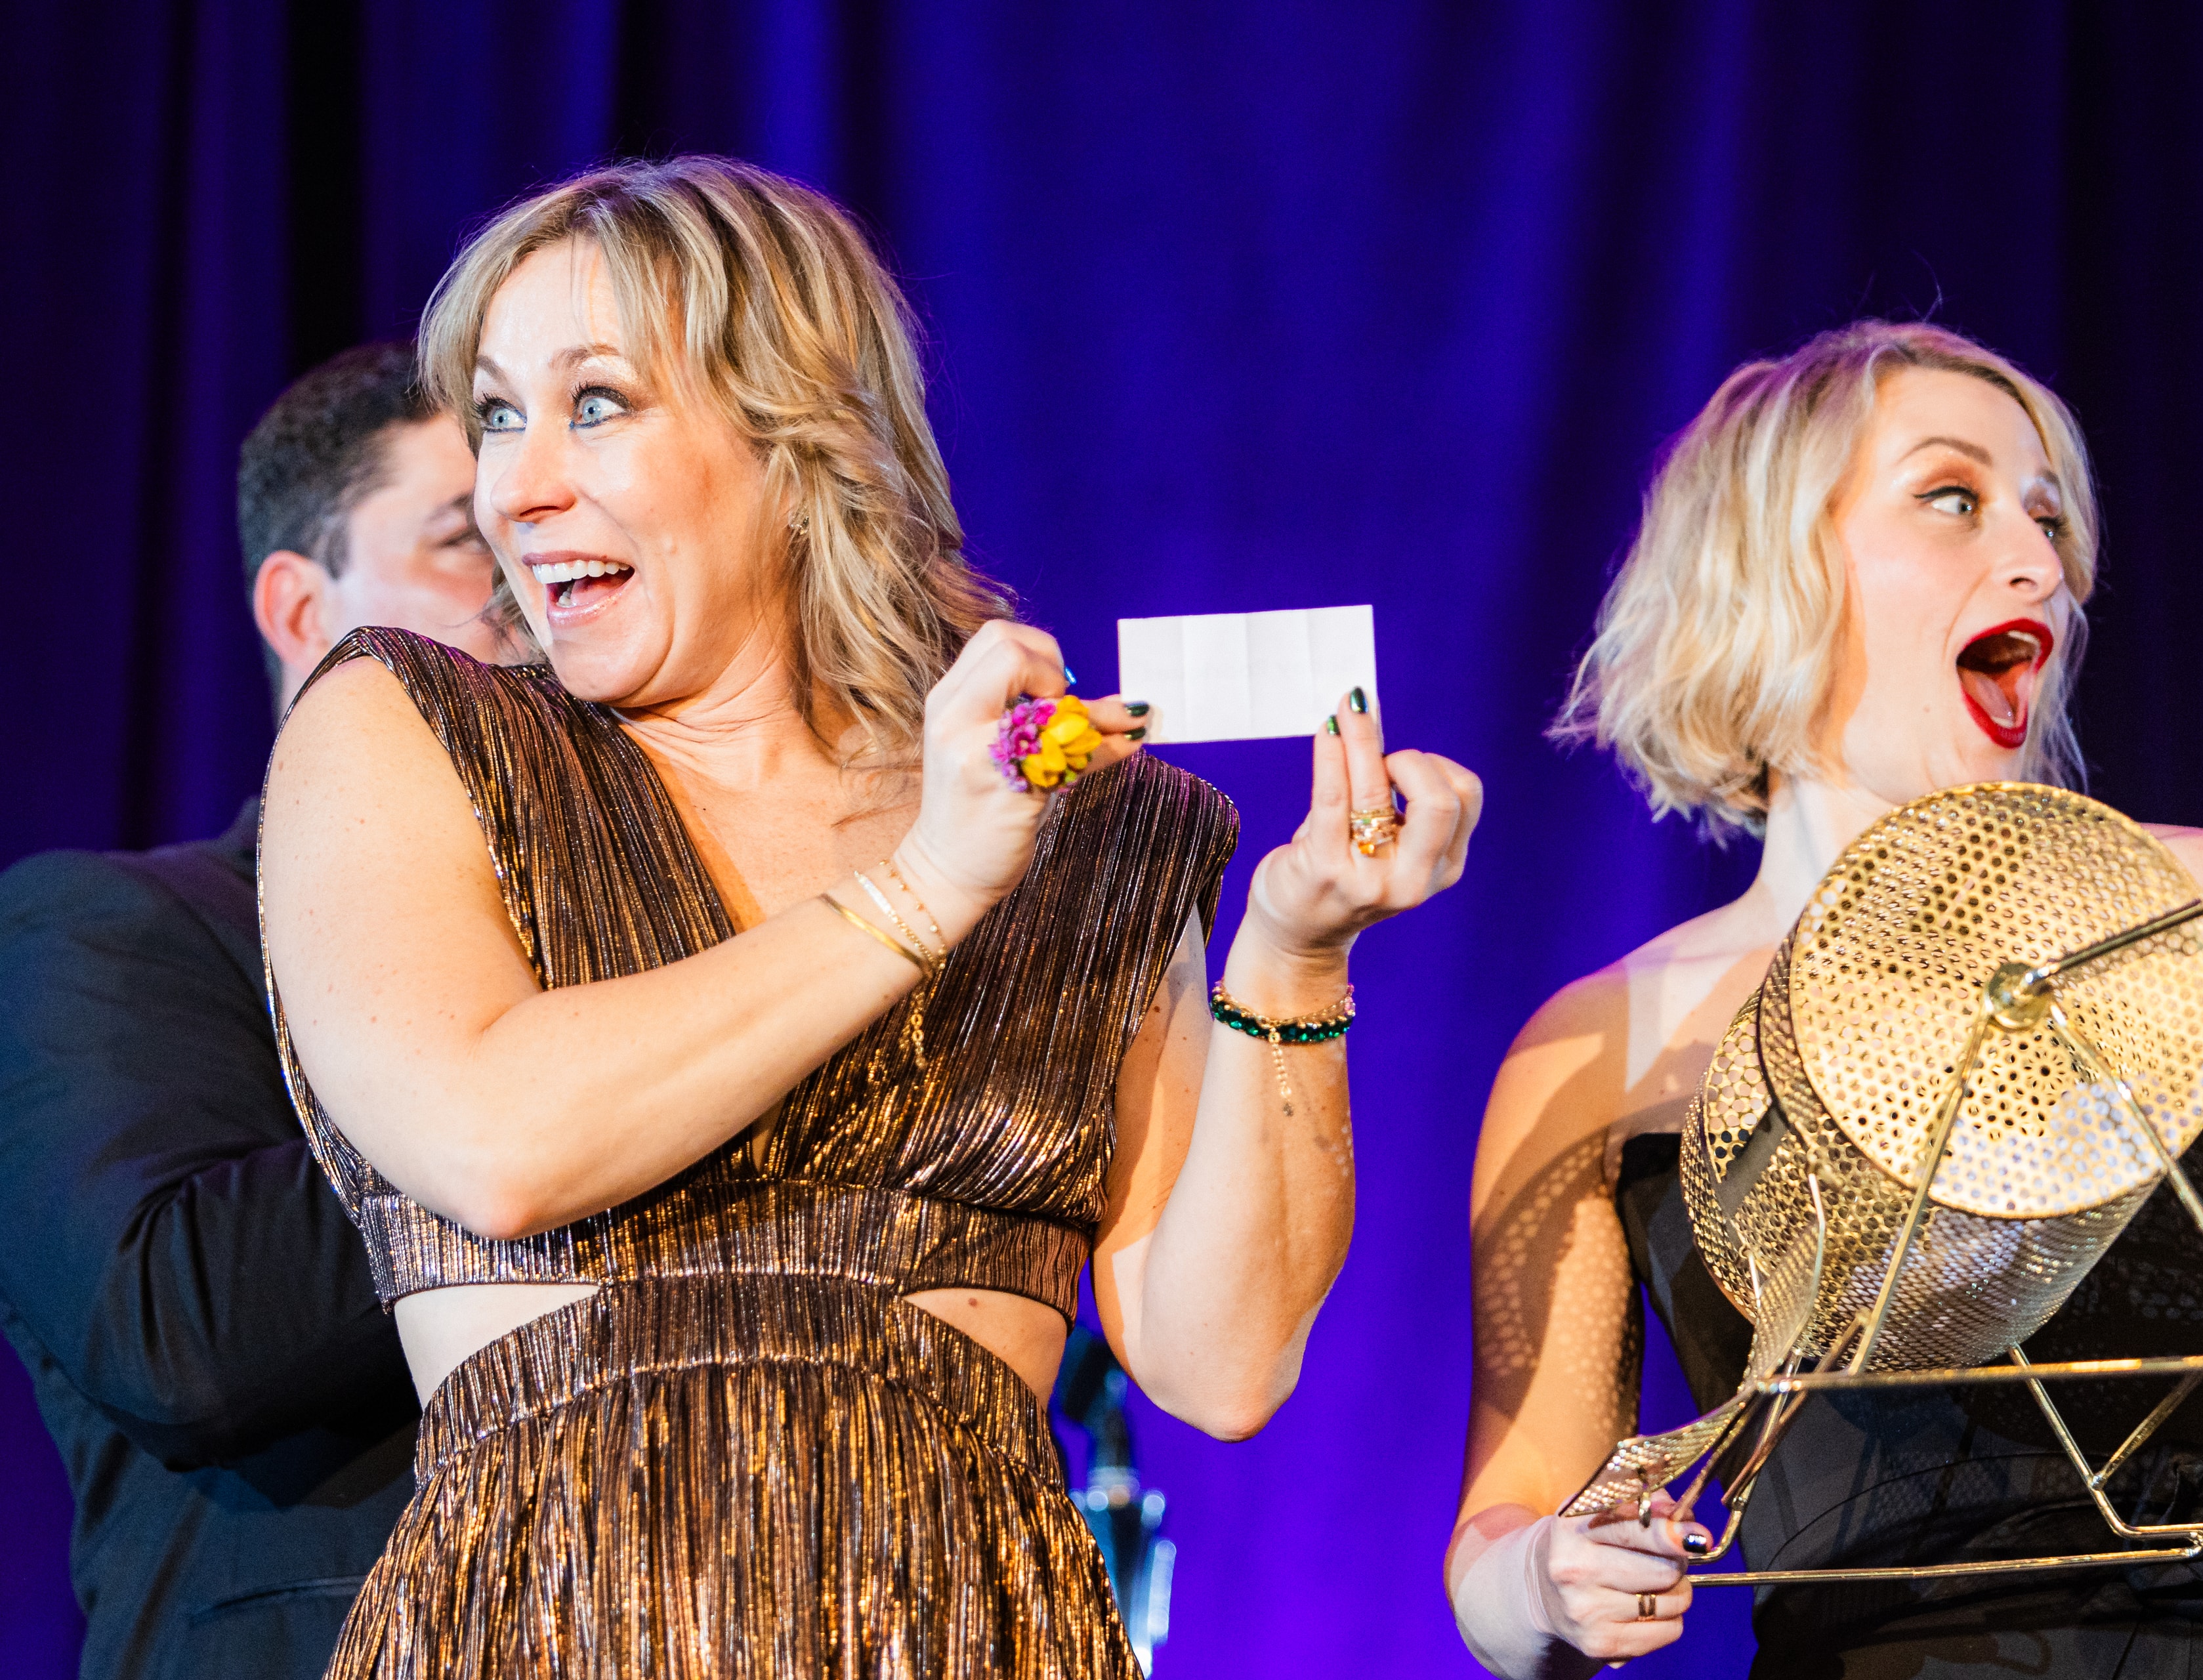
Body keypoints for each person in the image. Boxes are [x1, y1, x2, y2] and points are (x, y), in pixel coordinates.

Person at [257, 154, 1482, 1679]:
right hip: (561, 1624)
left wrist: (1297, 953)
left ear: (793, 434)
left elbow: (1220, 1361)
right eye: (500, 414)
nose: (517, 484)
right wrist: (918, 893)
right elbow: (494, 1141)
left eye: (596, 404)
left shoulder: (1072, 825)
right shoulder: (407, 728)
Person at [1447, 321, 2203, 1677]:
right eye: (1954, 497)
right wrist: (1548, 1574)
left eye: (2050, 519)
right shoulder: (1603, 1045)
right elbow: (1502, 1538)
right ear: (1776, 565)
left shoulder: (2198, 908)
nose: (2041, 565)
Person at [0, 341, 509, 1680]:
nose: (532, 585)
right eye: (471, 540)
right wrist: (546, 1079)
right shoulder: (116, 926)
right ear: (298, 607)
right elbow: (177, 1325)